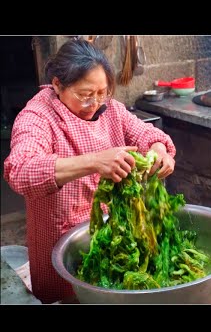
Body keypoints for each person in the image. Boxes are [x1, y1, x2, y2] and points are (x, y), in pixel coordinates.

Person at [3, 39, 176, 304]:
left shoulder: (111, 110)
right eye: (85, 94)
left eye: (102, 92)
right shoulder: (37, 117)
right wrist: (94, 161)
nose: (94, 103)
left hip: (114, 236)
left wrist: (159, 150)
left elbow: (146, 133)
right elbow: (21, 171)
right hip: (60, 242)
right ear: (58, 85)